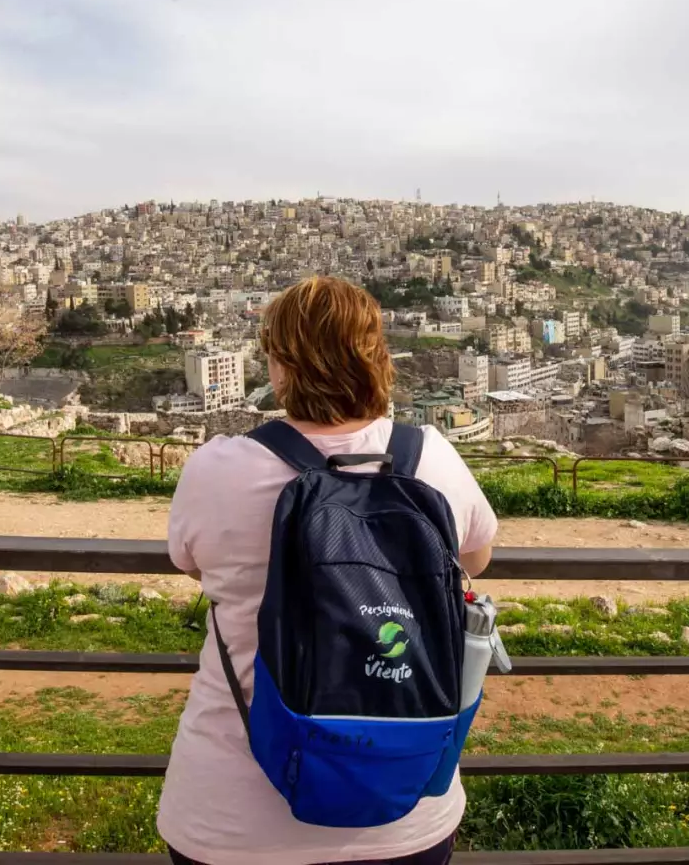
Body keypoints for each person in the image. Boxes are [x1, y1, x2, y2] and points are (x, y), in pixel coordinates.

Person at [158, 276, 497, 865]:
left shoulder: (218, 467)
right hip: (405, 810)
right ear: (376, 356)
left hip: (232, 817)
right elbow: (475, 557)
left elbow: (191, 564)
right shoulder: (432, 457)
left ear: (280, 362)